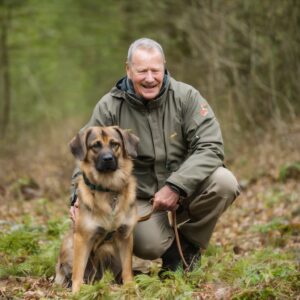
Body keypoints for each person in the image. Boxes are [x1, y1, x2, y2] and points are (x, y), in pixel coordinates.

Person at [70, 37, 240, 272]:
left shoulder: (186, 97)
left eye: (155, 70)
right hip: (140, 196)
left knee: (225, 182)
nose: (150, 78)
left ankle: (187, 247)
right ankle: (169, 250)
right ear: (128, 70)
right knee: (148, 244)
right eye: (142, 71)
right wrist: (75, 196)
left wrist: (176, 186)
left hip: (186, 186)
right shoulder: (110, 106)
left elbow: (211, 147)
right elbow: (86, 152)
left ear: (164, 67)